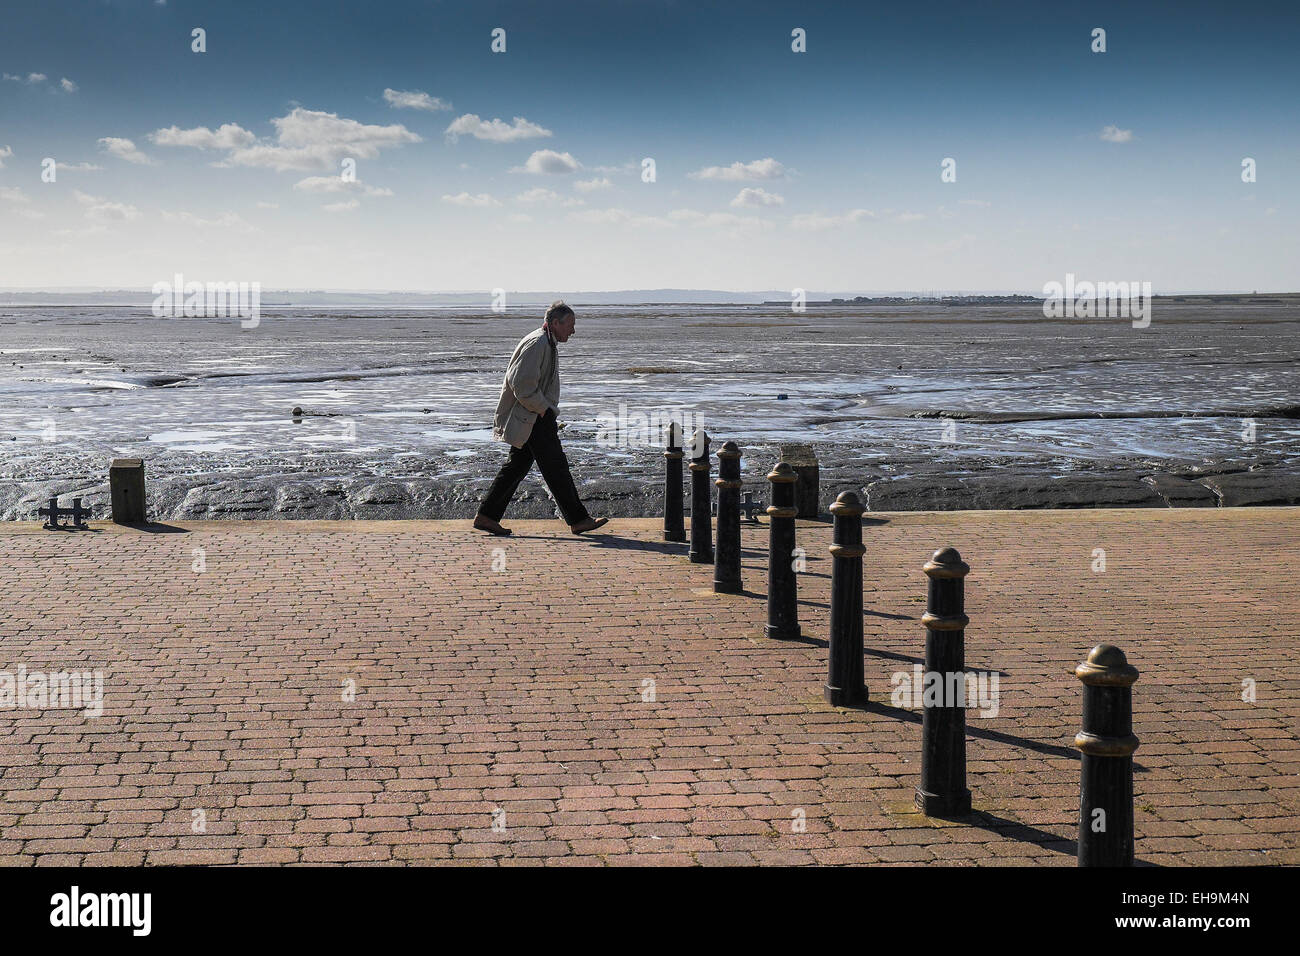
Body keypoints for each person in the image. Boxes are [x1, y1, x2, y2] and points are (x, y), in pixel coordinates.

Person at [474, 301, 609, 536]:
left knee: (516, 467)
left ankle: (486, 515)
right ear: (555, 323)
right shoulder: (538, 343)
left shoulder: (547, 342)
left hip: (533, 415)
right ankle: (578, 519)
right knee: (556, 467)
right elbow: (520, 384)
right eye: (570, 325)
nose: (573, 331)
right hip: (533, 416)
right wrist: (544, 410)